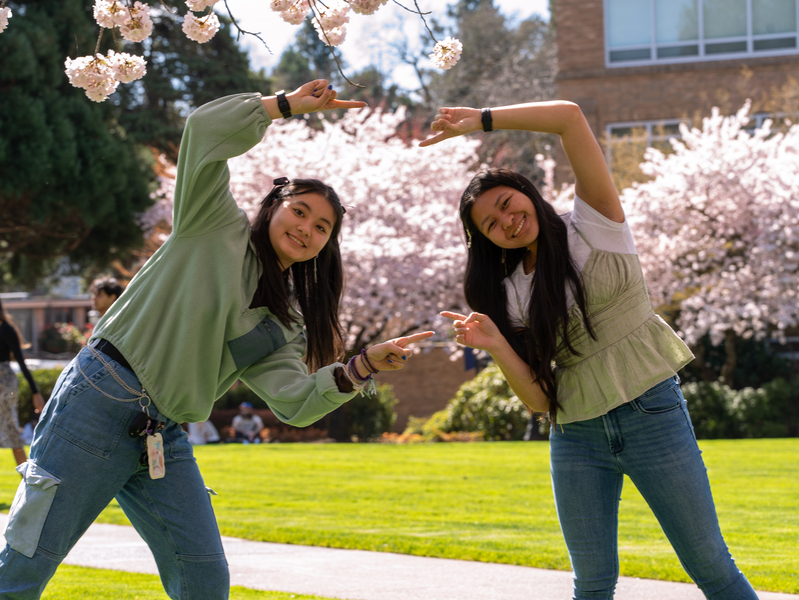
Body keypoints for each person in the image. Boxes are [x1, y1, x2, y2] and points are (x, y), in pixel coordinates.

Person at [0, 80, 433, 599]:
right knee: (26, 566)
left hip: (161, 434)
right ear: (275, 204)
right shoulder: (212, 221)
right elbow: (203, 130)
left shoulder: (285, 322)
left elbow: (294, 403)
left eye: (322, 228)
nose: (307, 229)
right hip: (98, 400)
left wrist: (362, 366)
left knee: (204, 578)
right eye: (300, 211)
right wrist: (285, 105)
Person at [425, 102, 759, 599]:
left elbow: (570, 118)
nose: (507, 221)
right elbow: (540, 400)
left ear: (526, 191)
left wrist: (483, 119)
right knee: (593, 585)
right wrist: (494, 343)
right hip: (577, 435)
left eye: (505, 203)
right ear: (487, 242)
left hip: (651, 411)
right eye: (492, 224)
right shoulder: (512, 292)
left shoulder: (592, 224)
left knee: (710, 564)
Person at [0, 299, 45, 467]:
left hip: (4, 384)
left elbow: (21, 363)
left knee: (11, 432)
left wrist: (36, 393)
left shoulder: (6, 329)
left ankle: (27, 481)